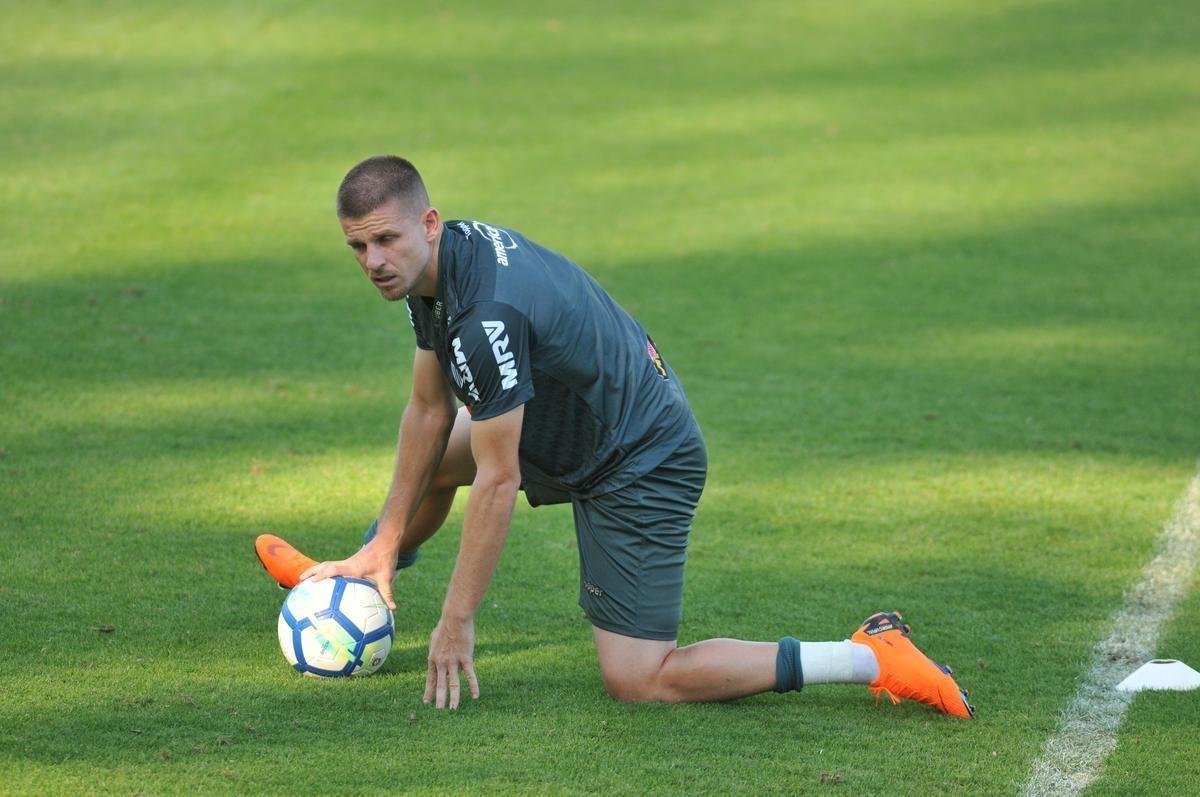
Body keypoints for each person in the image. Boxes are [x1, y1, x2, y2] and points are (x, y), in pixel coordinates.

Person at [255, 155, 974, 717]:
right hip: (578, 414)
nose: (374, 260)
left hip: (639, 458)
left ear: (428, 222)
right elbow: (426, 410)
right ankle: (363, 575)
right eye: (358, 246)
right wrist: (381, 539)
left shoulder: (485, 315)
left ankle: (869, 657)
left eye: (385, 239)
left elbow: (499, 481)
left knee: (639, 678)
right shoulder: (440, 266)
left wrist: (456, 620)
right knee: (442, 455)